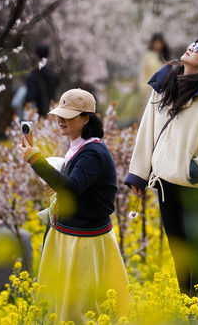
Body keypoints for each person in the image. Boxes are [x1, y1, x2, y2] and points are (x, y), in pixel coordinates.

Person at [125, 39, 198, 310]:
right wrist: (138, 174)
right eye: (192, 44)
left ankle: (195, 311)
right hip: (165, 184)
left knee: (196, 252)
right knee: (179, 251)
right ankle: (183, 306)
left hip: (193, 189)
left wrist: (195, 170)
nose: (191, 48)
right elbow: (147, 131)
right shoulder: (163, 88)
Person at [19, 89, 130, 322]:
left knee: (80, 307)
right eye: (59, 115)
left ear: (86, 119)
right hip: (72, 235)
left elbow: (71, 188)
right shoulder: (80, 148)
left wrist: (35, 159)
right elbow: (76, 187)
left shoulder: (93, 153)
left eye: (67, 116)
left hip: (84, 241)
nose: (60, 120)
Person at [23, 44, 59, 117]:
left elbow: (31, 95)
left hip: (36, 112)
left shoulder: (33, 74)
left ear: (36, 55)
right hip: (51, 109)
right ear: (48, 55)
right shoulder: (53, 73)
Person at [138, 33, 169, 99]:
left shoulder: (165, 56)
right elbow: (143, 72)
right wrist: (143, 88)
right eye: (156, 42)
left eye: (160, 42)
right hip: (149, 89)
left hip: (164, 90)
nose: (158, 45)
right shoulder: (148, 56)